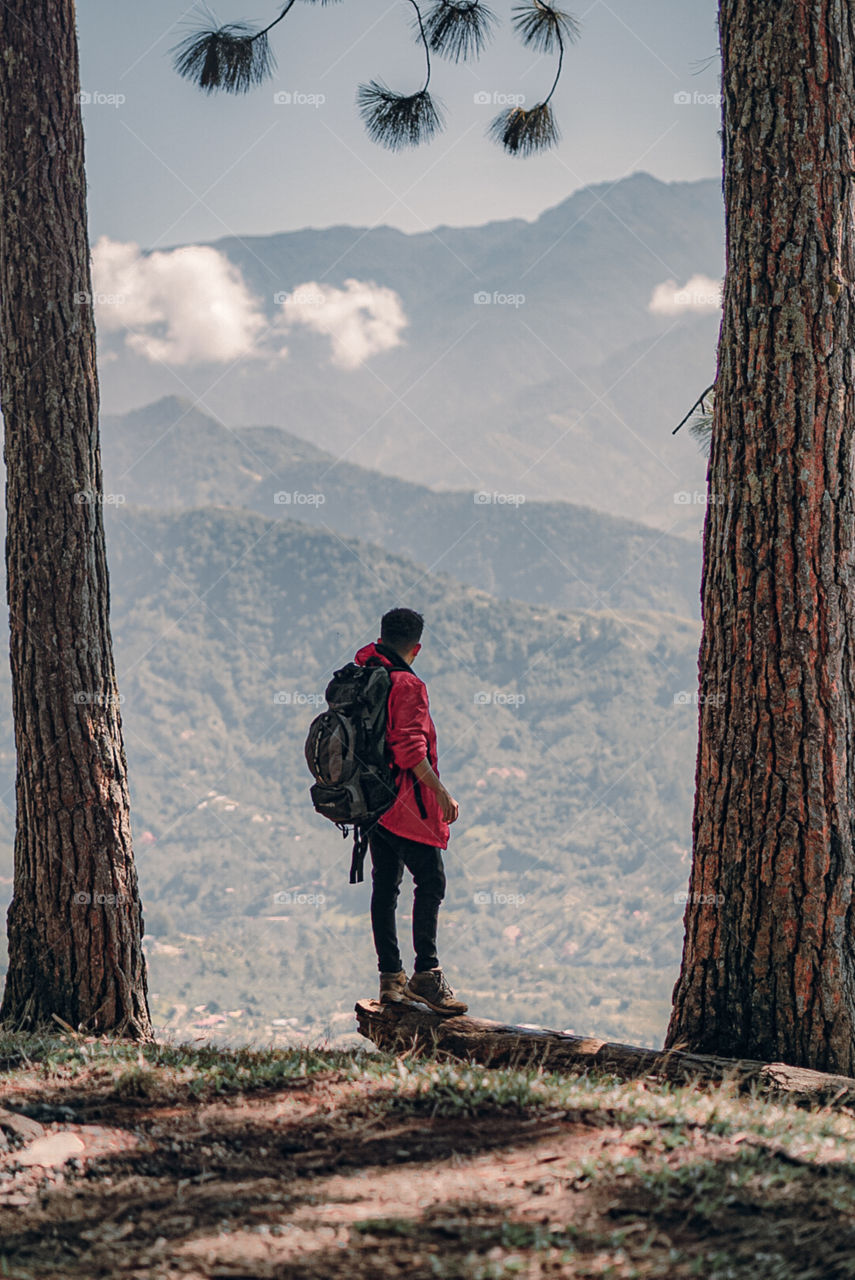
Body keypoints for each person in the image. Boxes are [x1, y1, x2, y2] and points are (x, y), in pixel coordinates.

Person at [354, 607, 467, 1016]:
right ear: (416, 648)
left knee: (385, 889)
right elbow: (410, 751)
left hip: (370, 803)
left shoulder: (364, 670)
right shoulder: (408, 686)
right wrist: (441, 794)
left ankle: (390, 981)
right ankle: (426, 974)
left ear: (382, 636)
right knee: (431, 882)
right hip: (405, 805)